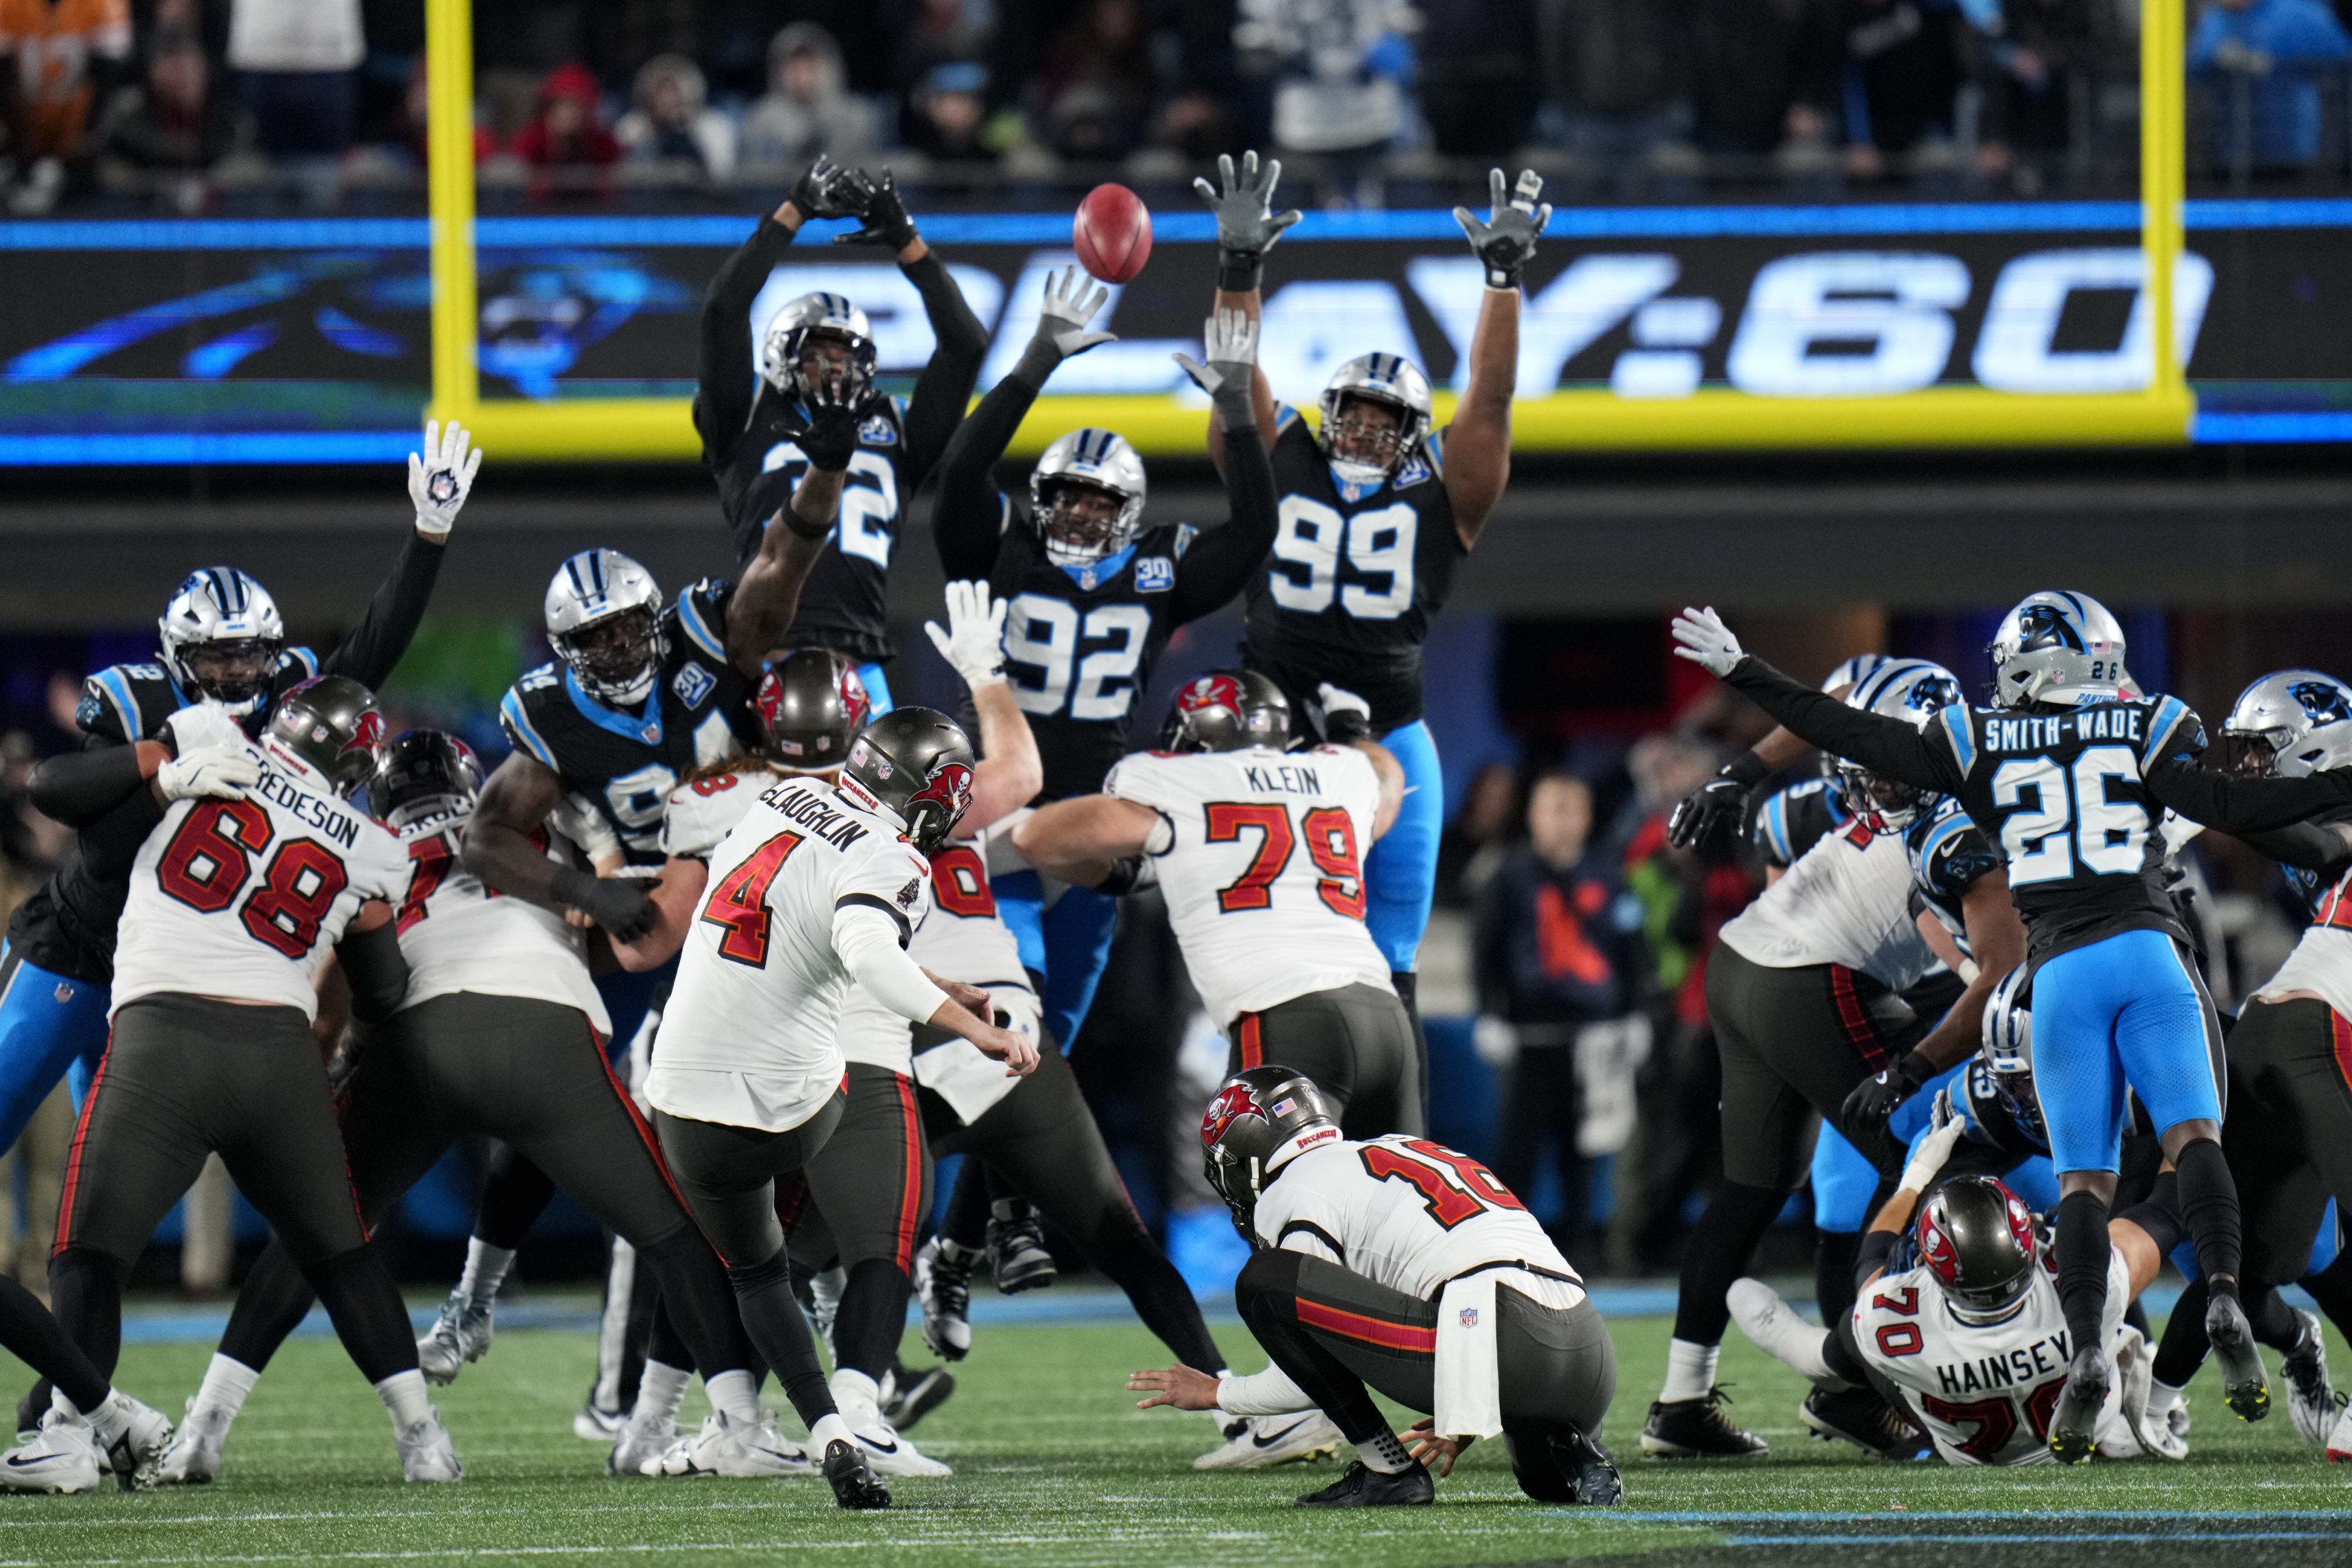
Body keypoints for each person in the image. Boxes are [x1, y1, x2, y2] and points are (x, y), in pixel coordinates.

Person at [1672, 590, 2352, 1460]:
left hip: (2052, 980)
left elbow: (1847, 733)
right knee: (2196, 1146)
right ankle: (2218, 1297)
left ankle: (2087, 1349)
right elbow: (2233, 804)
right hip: (2146, 956)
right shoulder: (2147, 723)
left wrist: (1742, 671)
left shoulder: (1974, 743)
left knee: (2078, 1186)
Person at [144, 730, 766, 1488]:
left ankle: (208, 1427)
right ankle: (722, 1422)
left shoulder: (364, 844)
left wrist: (342, 1065)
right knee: (675, 1236)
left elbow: (343, 983)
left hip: (422, 1039)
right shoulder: (539, 830)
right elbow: (611, 933)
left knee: (317, 1236)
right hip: (546, 1032)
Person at [406, 410, 842, 1419]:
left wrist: (824, 469)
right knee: (566, 1108)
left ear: (654, 619)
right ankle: (482, 1299)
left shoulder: (707, 645)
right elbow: (486, 838)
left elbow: (785, 560)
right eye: (592, 638)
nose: (615, 648)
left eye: (625, 627)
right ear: (564, 649)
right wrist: (586, 892)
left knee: (824, 1086)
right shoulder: (553, 716)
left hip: (758, 897)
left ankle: (816, 1289)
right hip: (643, 916)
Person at [603, 588, 1029, 1478]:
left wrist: (938, 981)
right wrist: (969, 1026)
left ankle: (743, 1422)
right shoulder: (891, 854)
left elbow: (771, 914)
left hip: (679, 1082)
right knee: (879, 1211)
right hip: (797, 1088)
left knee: (747, 1263)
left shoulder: (773, 800)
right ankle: (861, 1397)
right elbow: (868, 956)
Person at [0, 420, 475, 1170]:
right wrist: (163, 766)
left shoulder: (287, 694)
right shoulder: (140, 699)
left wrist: (428, 535)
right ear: (177, 656)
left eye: (252, 654)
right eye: (218, 659)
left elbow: (371, 650)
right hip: (75, 951)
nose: (239, 675)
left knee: (111, 1185)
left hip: (167, 980)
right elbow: (54, 790)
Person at [926, 292, 1280, 1275]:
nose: (1078, 514)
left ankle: (967, 1238)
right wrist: (1036, 358)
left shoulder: (1158, 570)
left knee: (1050, 1045)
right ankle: (992, 1223)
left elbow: (1253, 528)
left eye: (1097, 501)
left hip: (1091, 828)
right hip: (997, 808)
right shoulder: (1001, 557)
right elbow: (958, 469)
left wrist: (1241, 410)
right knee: (1014, 1014)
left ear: (1127, 513)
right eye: (1066, 496)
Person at [43, 680, 459, 1482]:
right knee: (340, 1254)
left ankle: (73, 1433)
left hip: (163, 1033)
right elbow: (381, 989)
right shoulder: (373, 846)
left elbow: (57, 791)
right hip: (277, 1050)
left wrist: (161, 778)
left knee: (88, 1253)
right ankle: (423, 1437)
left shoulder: (206, 735)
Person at [1200, 153, 1548, 1096]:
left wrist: (1501, 281)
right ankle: (1269, 1135)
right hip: (1268, 743)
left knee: (1389, 963)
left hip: (1392, 737)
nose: (1358, 431)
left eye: (1383, 419)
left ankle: (1396, 1151)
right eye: (1349, 413)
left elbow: (1492, 396)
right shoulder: (1282, 457)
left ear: (1412, 435)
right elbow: (1233, 387)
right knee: (1273, 960)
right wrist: (1238, 266)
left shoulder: (1450, 492)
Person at [1128, 1067, 1621, 1509]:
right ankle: (1576, 1449)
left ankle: (1388, 1470)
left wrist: (1217, 1393)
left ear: (1245, 1159)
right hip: (1588, 1352)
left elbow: (1301, 1373)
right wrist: (1467, 1398)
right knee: (1546, 1486)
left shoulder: (1294, 1187)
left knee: (1264, 1282)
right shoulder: (1398, 1149)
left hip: (1500, 1338)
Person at [1017, 669, 1410, 1134]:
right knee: (1400, 1194)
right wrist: (1349, 731)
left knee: (1276, 1199)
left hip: (1285, 1015)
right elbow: (1385, 786)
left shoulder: (1176, 778)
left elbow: (1037, 838)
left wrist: (1122, 873)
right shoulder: (1340, 770)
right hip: (1385, 1017)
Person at [694, 155, 988, 707]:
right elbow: (722, 312)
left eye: (845, 355)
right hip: (763, 656)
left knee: (892, 793)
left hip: (863, 665)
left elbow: (967, 345)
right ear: (781, 357)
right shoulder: (748, 414)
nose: (833, 367)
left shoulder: (892, 423)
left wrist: (906, 240)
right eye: (816, 353)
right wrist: (794, 210)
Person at [1729, 1116, 2181, 1464]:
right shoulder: (2089, 1279)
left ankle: (1824, 1369)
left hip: (1975, 1453)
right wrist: (2191, 1128)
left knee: (1844, 1339)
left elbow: (1871, 1259)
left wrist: (1916, 1174)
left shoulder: (1891, 1321)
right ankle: (2158, 1403)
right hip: (2094, 1428)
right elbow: (2165, 1211)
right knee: (2113, 1236)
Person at [1472, 773, 1648, 1262]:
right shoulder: (1507, 875)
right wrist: (1490, 1013)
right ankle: (1508, 1252)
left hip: (1594, 1039)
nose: (1562, 820)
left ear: (1587, 817)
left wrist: (1634, 1013)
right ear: (1533, 815)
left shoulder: (1609, 874)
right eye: (1553, 808)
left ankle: (1579, 1251)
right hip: (1529, 1036)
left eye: (1572, 809)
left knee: (1585, 1152)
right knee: (1519, 1152)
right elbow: (1484, 950)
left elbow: (1631, 949)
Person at [0, 0, 132, 213]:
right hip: (18, 135)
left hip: (81, 139)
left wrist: (85, 144)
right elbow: (4, 82)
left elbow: (108, 82)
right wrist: (22, 150)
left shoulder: (103, 5)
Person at [741, 24, 881, 169]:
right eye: (795, 69)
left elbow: (867, 171)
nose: (802, 77)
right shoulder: (763, 120)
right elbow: (756, 176)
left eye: (809, 67)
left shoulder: (855, 117)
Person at [615, 54, 735, 181]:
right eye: (661, 93)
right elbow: (621, 176)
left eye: (673, 92)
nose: (667, 100)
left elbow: (721, 176)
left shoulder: (713, 128)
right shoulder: (631, 129)